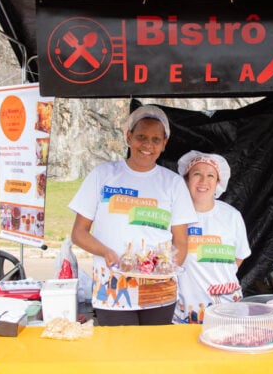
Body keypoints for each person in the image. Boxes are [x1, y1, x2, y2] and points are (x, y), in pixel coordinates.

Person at [68, 104, 198, 326]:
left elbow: (181, 242)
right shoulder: (103, 175)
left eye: (156, 139)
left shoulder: (173, 183)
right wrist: (106, 252)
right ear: (128, 137)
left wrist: (165, 268)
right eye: (141, 136)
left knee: (152, 356)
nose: (148, 145)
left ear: (164, 143)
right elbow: (79, 233)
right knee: (119, 355)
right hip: (113, 287)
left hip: (158, 290)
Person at [173, 150, 251, 324]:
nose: (203, 181)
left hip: (228, 308)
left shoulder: (232, 216)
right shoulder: (174, 214)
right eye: (197, 174)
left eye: (210, 175)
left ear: (218, 182)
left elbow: (239, 256)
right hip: (184, 313)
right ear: (186, 180)